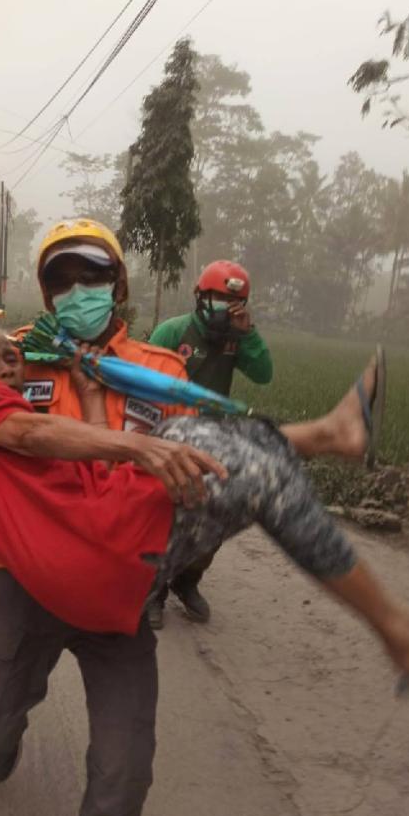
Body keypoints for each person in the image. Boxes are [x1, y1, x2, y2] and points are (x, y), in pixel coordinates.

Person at [0, 324, 409, 816]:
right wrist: (141, 444)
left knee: (125, 770)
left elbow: (95, 472)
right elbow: (29, 432)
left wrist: (92, 399)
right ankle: (332, 444)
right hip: (33, 588)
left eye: (10, 356)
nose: (6, 366)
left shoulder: (107, 365)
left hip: (117, 581)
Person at [0, 219, 386, 816]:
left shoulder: (161, 370)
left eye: (91, 275)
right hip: (25, 580)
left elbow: (177, 475)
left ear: (117, 283)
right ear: (46, 293)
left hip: (120, 587)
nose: (77, 289)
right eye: (61, 279)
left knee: (125, 769)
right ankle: (3, 740)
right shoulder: (20, 353)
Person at [147, 260, 272, 628]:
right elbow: (144, 382)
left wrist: (248, 335)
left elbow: (264, 374)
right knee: (165, 514)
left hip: (215, 439)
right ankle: (153, 590)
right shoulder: (173, 332)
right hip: (171, 433)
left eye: (233, 301)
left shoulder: (237, 339)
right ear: (199, 297)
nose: (224, 307)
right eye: (217, 298)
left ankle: (188, 580)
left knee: (214, 514)